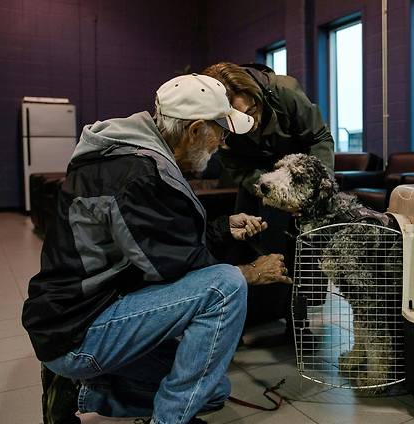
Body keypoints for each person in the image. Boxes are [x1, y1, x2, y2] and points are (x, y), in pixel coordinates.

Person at [21, 73, 292, 424]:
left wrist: (222, 228)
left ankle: (78, 390)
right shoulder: (136, 174)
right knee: (225, 287)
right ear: (195, 130)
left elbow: (161, 243)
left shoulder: (133, 153)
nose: (222, 143)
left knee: (213, 394)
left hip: (88, 313)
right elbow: (172, 268)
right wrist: (251, 273)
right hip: (78, 329)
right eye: (220, 131)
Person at [202, 62, 335, 328]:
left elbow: (319, 137)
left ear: (257, 95)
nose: (249, 124)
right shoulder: (214, 115)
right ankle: (247, 314)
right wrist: (267, 188)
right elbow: (233, 165)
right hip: (255, 179)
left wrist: (317, 184)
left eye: (251, 111)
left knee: (303, 246)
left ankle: (297, 322)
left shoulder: (286, 92)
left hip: (298, 177)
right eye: (237, 120)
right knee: (247, 238)